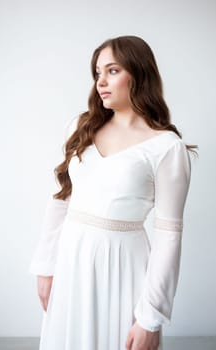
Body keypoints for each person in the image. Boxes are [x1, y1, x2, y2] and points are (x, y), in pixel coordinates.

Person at [29, 35, 197, 350]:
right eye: (97, 73)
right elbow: (61, 200)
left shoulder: (167, 149)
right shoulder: (81, 127)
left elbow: (169, 236)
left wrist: (151, 316)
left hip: (124, 268)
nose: (100, 82)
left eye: (112, 70)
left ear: (139, 73)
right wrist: (45, 266)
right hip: (71, 261)